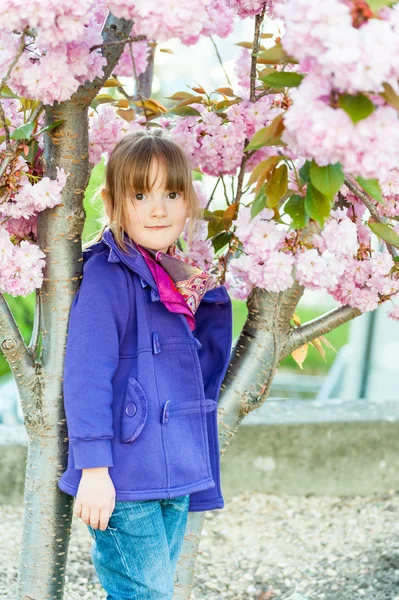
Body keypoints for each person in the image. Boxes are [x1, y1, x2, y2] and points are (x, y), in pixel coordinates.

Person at [57, 128, 233, 599]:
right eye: (140, 194)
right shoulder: (107, 275)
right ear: (114, 203)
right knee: (146, 593)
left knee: (152, 590)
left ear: (188, 201)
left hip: (174, 466)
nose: (158, 208)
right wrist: (94, 468)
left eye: (171, 193)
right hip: (123, 474)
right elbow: (86, 374)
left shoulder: (177, 274)